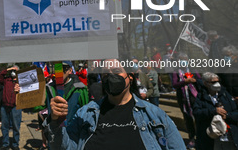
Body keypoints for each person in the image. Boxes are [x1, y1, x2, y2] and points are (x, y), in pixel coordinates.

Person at [48, 59, 185, 149]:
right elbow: (63, 146)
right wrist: (55, 122)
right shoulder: (85, 114)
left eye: (117, 71)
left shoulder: (155, 115)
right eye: (106, 74)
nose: (111, 76)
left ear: (130, 77)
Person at [193, 72, 238, 150]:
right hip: (211, 138)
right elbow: (197, 113)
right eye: (213, 82)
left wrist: (227, 116)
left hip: (228, 137)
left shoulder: (225, 95)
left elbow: (235, 112)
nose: (217, 84)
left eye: (218, 81)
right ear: (206, 83)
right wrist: (213, 111)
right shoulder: (201, 97)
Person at [172, 53, 201, 150]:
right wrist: (185, 82)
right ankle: (192, 138)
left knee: (198, 118)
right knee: (188, 119)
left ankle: (200, 137)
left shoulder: (193, 70)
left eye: (184, 59)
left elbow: (200, 81)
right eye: (180, 59)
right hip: (183, 99)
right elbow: (175, 84)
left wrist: (194, 80)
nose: (182, 61)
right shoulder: (176, 72)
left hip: (194, 97)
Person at [0, 66, 22, 150]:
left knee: (16, 126)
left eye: (15, 71)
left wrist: (20, 90)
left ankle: (15, 144)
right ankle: (5, 144)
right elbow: (0, 76)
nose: (13, 72)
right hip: (4, 106)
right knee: (4, 126)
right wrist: (8, 69)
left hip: (16, 107)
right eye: (12, 71)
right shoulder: (6, 80)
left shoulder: (21, 81)